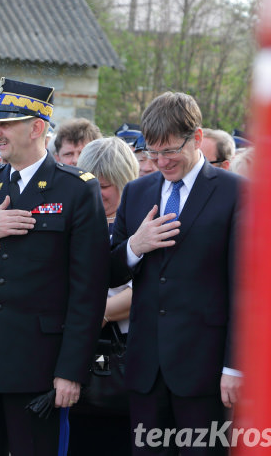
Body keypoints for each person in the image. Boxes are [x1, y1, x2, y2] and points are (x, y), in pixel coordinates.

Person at [0, 77, 111, 455]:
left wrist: (70, 370)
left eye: (5, 124)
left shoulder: (77, 189)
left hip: (39, 367)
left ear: (36, 128)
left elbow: (89, 290)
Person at [111, 92, 243, 455]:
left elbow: (245, 289)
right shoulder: (136, 193)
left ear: (197, 138)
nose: (160, 161)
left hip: (206, 369)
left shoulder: (236, 193)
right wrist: (134, 246)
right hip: (145, 369)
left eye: (169, 151)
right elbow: (107, 271)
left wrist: (236, 366)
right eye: (153, 152)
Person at [70, 137, 139, 456]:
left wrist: (97, 314)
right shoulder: (74, 222)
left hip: (125, 361)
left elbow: (141, 291)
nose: (97, 193)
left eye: (106, 185)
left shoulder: (141, 225)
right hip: (75, 364)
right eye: (90, 184)